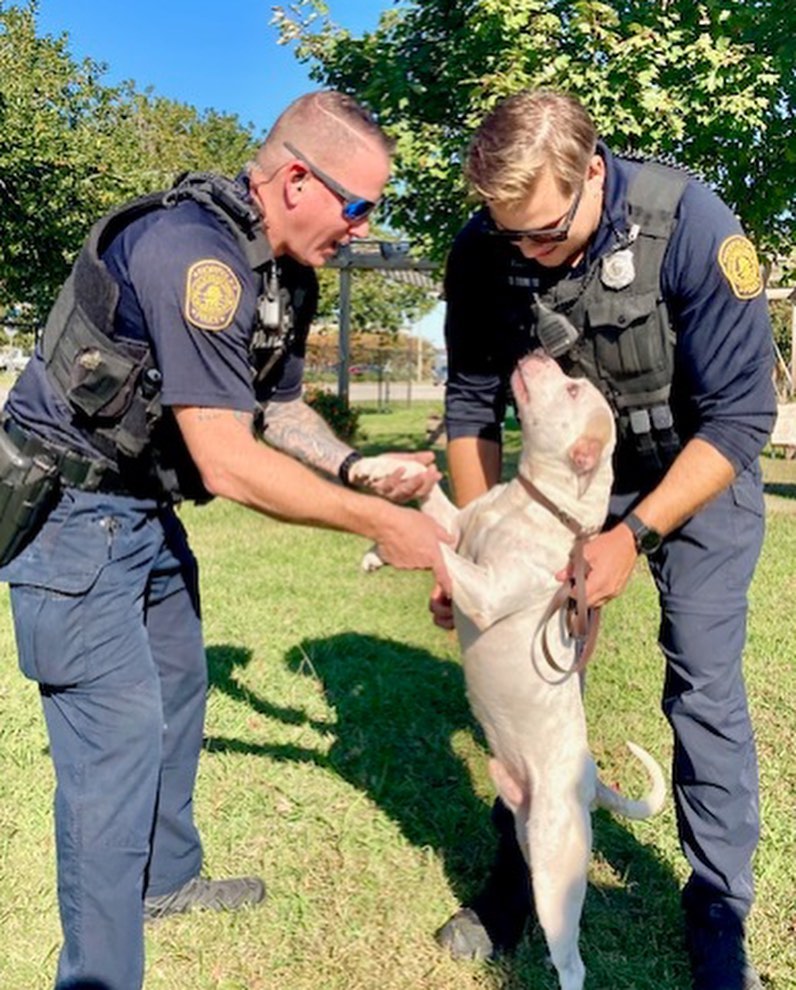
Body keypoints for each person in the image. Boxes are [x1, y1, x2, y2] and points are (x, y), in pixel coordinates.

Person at [0, 90, 451, 990]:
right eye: (358, 207)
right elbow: (227, 461)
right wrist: (385, 523)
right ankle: (98, 978)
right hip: (69, 516)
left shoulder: (285, 275)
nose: (365, 230)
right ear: (294, 179)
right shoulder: (190, 254)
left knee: (177, 689)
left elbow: (276, 408)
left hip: (141, 511)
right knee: (113, 749)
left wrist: (355, 467)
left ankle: (163, 884)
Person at [430, 89, 775, 990]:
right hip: (565, 487)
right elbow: (471, 408)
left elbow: (742, 418)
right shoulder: (487, 246)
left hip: (695, 472)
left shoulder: (693, 225)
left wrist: (634, 533)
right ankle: (518, 877)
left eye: (545, 233)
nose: (527, 255)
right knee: (536, 678)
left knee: (700, 675)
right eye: (511, 238)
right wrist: (477, 541)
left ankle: (716, 903)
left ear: (593, 172)